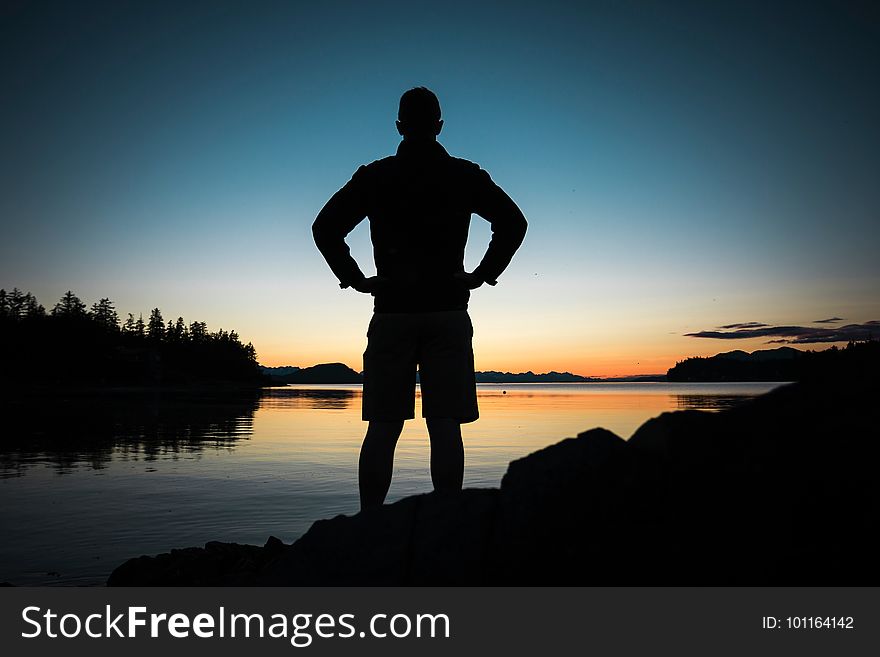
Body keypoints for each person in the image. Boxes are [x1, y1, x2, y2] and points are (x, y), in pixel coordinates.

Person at [313, 87, 527, 510]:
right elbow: (513, 223)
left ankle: (369, 527)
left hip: (392, 312)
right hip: (448, 310)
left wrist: (355, 279)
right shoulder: (464, 175)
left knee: (383, 426)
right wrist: (482, 275)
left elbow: (325, 228)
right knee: (445, 423)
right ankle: (446, 527)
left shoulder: (375, 177)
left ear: (398, 126)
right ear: (440, 126)